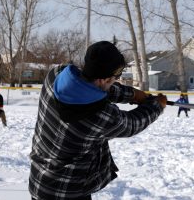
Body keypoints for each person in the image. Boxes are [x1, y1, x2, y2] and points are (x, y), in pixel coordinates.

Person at [28, 41, 167, 200]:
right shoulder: (100, 115)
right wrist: (156, 106)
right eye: (115, 78)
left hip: (39, 182)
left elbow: (91, 88)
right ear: (105, 79)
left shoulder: (56, 75)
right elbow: (132, 124)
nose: (115, 81)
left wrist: (133, 95)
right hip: (68, 191)